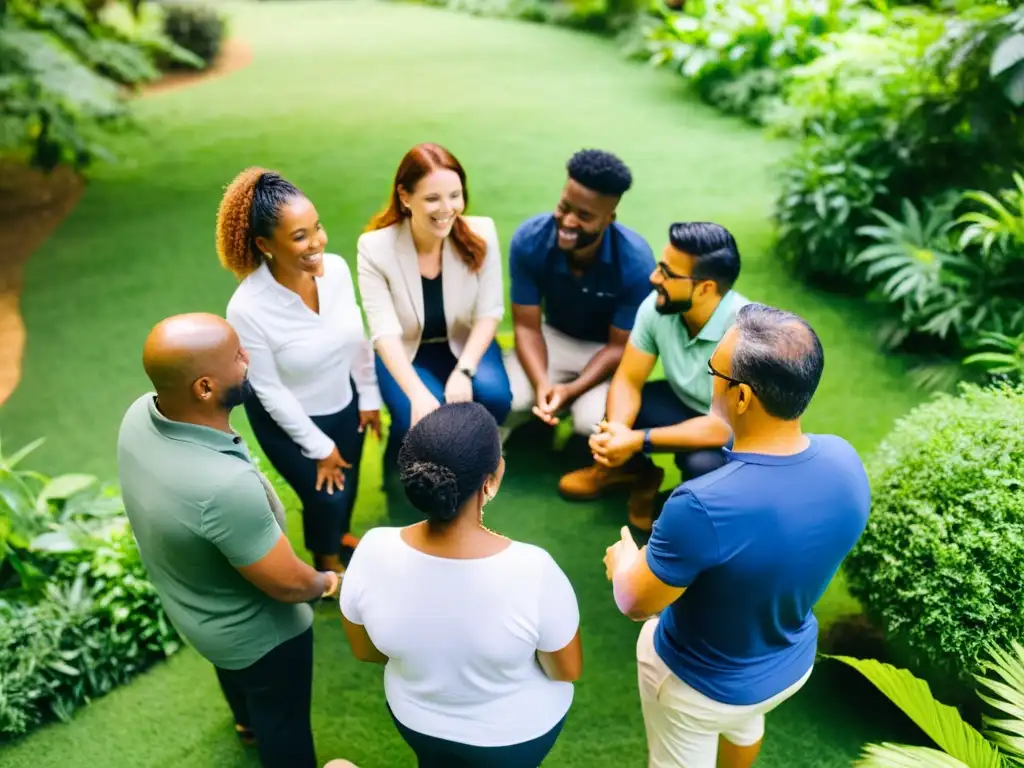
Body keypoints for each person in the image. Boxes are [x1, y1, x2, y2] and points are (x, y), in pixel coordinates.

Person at [602, 303, 871, 768]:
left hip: (699, 685)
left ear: (742, 397)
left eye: (714, 370)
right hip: (788, 665)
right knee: (746, 722)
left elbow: (635, 604)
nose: (709, 378)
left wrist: (624, 562)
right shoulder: (845, 460)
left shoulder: (700, 505)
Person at [116, 313, 341, 768]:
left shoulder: (139, 415)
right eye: (237, 356)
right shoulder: (224, 488)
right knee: (284, 722)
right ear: (204, 388)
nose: (248, 359)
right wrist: (327, 583)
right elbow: (287, 585)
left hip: (196, 610)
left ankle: (245, 723)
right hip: (264, 638)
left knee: (239, 680)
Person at [339, 402, 582, 767]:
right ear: (491, 479)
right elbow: (566, 670)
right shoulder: (534, 569)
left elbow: (366, 650)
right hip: (515, 738)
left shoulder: (372, 547)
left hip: (416, 721)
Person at [217, 168, 381, 573]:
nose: (317, 243)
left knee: (350, 478)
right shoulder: (248, 307)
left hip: (343, 397)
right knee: (325, 494)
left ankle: (339, 537)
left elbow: (357, 339)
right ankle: (326, 567)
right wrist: (320, 448)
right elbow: (269, 391)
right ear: (264, 244)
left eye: (317, 227)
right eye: (300, 236)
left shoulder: (337, 271)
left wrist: (370, 396)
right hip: (288, 412)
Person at [559, 221, 749, 530]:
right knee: (622, 402)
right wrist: (619, 432)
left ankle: (679, 511)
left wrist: (637, 440)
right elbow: (628, 379)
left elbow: (722, 427)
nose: (654, 277)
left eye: (667, 273)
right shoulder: (658, 305)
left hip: (729, 434)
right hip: (681, 401)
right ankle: (629, 473)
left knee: (704, 466)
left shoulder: (745, 332)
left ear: (705, 288)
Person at [356, 143, 512, 467]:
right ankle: (399, 466)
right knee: (417, 418)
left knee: (496, 399)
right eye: (432, 198)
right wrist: (415, 393)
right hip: (405, 348)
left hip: (463, 340)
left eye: (455, 195)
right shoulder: (374, 248)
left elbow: (489, 311)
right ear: (405, 197)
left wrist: (464, 371)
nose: (447, 208)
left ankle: (473, 461)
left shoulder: (482, 232)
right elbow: (384, 332)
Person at [504, 148, 655, 439]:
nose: (569, 221)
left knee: (590, 422)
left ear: (609, 218)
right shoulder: (530, 239)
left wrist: (572, 390)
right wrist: (541, 384)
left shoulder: (636, 263)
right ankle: (534, 428)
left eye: (584, 215)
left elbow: (618, 347)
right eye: (564, 207)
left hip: (606, 350)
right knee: (513, 399)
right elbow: (526, 325)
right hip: (553, 337)